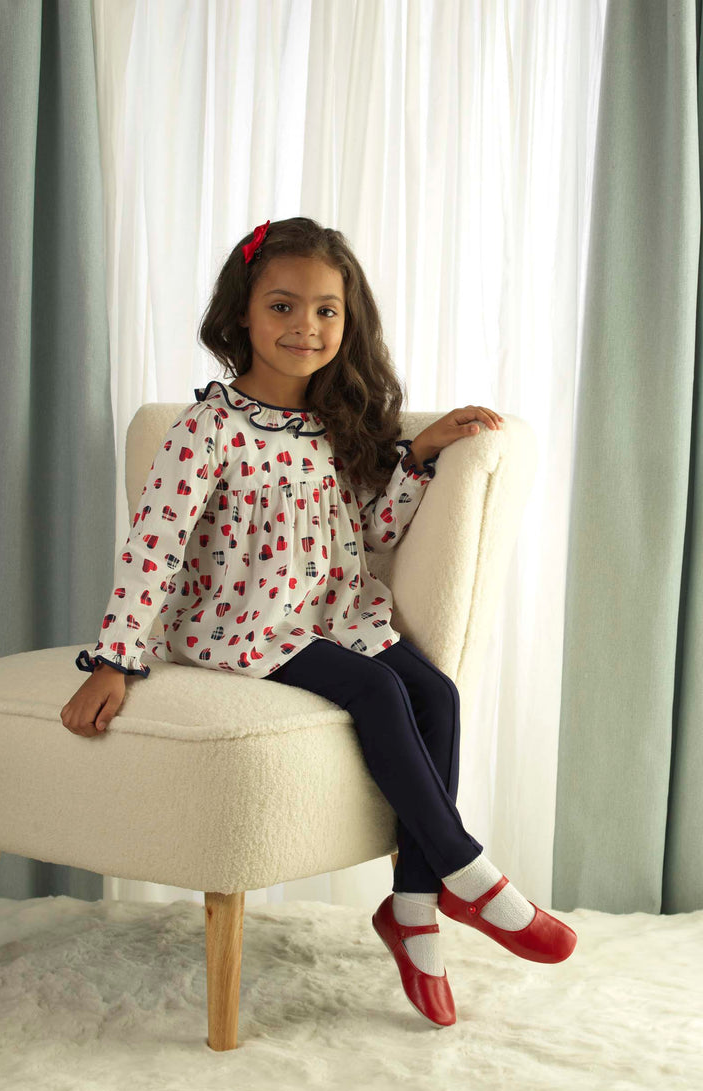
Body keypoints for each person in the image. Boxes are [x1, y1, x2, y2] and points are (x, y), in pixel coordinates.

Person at [61, 216, 576, 1029]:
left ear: (347, 320)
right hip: (238, 622)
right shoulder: (208, 428)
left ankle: (411, 910)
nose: (306, 326)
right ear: (242, 315)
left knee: (436, 695)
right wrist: (116, 659)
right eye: (283, 306)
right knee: (377, 690)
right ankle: (467, 874)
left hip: (326, 613)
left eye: (326, 310)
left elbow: (365, 536)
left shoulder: (332, 427)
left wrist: (417, 460)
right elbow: (153, 546)